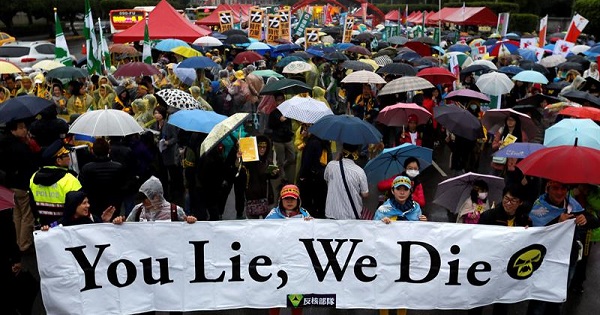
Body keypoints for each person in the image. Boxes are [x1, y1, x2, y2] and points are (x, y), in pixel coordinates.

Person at [526, 180, 600, 315]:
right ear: (548, 188)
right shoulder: (539, 206)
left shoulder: (571, 204)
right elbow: (534, 231)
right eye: (555, 188)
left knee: (557, 300)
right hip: (544, 261)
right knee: (538, 301)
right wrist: (557, 222)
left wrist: (585, 218)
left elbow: (595, 221)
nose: (560, 192)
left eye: (563, 188)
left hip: (566, 260)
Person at [472, 185, 530, 315]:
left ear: (520, 202)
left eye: (513, 200)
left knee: (502, 303)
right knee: (478, 301)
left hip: (507, 269)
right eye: (506, 199)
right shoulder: (488, 216)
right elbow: (478, 240)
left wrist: (527, 232)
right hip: (487, 266)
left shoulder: (523, 219)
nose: (508, 203)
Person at [0, 120, 41, 253]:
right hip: (22, 184)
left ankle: (17, 241)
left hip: (8, 184)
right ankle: (24, 244)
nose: (24, 130)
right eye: (21, 128)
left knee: (16, 215)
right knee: (27, 215)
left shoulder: (4, 144)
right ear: (13, 130)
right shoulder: (20, 147)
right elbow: (31, 164)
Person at [29, 139, 82, 227]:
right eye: (66, 155)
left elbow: (32, 205)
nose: (69, 157)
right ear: (58, 161)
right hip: (66, 228)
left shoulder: (34, 177)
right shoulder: (70, 179)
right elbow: (78, 208)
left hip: (44, 228)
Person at [112, 176, 197, 224]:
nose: (143, 202)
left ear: (156, 196)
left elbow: (188, 232)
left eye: (146, 199)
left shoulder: (174, 210)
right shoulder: (138, 209)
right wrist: (120, 223)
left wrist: (191, 221)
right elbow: (127, 229)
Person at [78, 138, 126, 220]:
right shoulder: (118, 167)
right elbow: (123, 186)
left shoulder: (86, 168)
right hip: (113, 206)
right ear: (109, 150)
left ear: (93, 151)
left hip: (93, 205)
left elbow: (82, 188)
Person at [324, 143, 369, 220]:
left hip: (331, 214)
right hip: (351, 216)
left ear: (342, 151)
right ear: (357, 153)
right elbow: (365, 194)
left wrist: (337, 158)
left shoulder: (330, 166)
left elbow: (326, 180)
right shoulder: (359, 172)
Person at [242, 136, 279, 219]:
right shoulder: (249, 161)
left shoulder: (267, 160)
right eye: (260, 147)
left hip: (266, 196)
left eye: (264, 147)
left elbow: (271, 176)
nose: (262, 149)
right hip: (252, 197)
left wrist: (274, 173)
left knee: (268, 225)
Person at [40, 191, 115, 230]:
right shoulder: (61, 223)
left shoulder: (93, 219)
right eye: (84, 203)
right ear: (74, 205)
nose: (88, 205)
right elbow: (50, 230)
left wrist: (105, 222)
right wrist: (46, 230)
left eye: (88, 202)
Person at [268, 93, 296, 185]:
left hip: (288, 139)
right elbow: (270, 126)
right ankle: (283, 178)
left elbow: (290, 124)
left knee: (292, 158)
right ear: (275, 101)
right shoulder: (273, 113)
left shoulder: (288, 111)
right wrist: (278, 121)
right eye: (278, 100)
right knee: (280, 159)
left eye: (282, 99)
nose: (280, 102)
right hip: (278, 140)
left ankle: (281, 168)